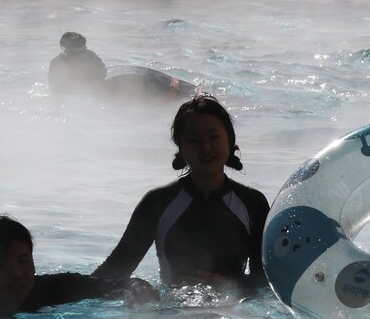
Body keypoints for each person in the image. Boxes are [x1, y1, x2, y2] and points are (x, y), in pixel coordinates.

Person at [95, 95, 269, 292]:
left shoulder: (253, 203)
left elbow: (268, 281)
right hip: (171, 309)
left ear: (229, 141)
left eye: (213, 137)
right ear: (181, 148)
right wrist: (134, 286)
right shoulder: (157, 203)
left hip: (238, 310)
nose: (205, 147)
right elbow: (113, 272)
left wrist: (231, 286)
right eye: (194, 140)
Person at [0, 216, 158, 315]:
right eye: (2, 264)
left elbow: (110, 285)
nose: (17, 274)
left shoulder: (55, 289)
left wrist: (135, 286)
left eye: (23, 260)